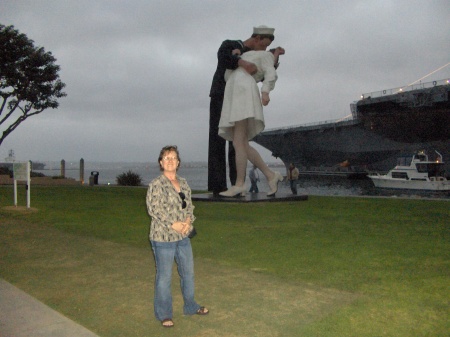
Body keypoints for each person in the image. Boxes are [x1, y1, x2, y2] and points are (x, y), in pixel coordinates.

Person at [208, 25, 281, 196]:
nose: (264, 49)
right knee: (222, 140)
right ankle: (220, 185)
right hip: (222, 95)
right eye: (263, 45)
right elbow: (223, 59)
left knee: (237, 143)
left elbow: (265, 72)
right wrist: (240, 60)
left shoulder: (258, 55)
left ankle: (237, 183)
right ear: (256, 39)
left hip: (241, 95)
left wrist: (266, 90)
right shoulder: (231, 45)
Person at [146, 145, 208, 328]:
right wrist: (174, 224)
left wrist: (188, 222)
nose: (170, 161)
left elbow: (189, 205)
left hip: (183, 237)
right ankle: (164, 314)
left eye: (173, 158)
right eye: (166, 158)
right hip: (163, 238)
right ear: (161, 162)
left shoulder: (183, 182)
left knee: (188, 273)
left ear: (178, 162)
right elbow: (154, 209)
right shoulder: (156, 184)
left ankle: (190, 306)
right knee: (164, 277)